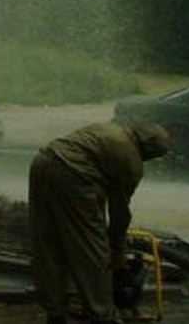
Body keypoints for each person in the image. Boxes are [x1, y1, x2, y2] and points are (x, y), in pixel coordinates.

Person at [28, 121, 170, 324]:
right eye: (154, 155)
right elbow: (119, 212)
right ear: (148, 146)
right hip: (72, 175)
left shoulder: (109, 129)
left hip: (41, 163)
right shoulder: (130, 159)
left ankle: (55, 310)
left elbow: (101, 189)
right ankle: (101, 314)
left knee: (49, 242)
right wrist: (116, 253)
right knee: (92, 250)